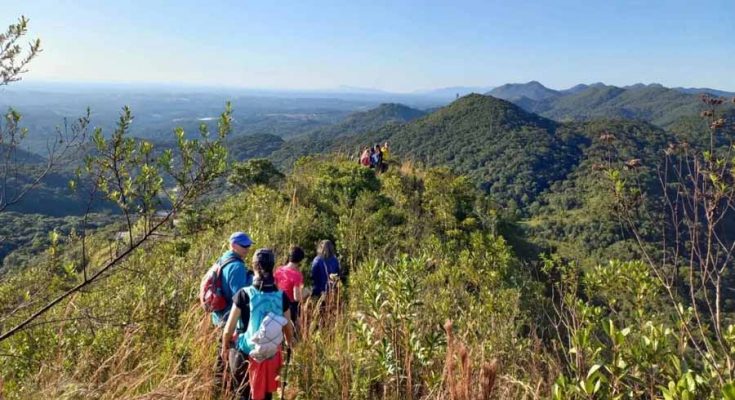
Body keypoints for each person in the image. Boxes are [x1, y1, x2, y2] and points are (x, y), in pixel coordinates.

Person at [222, 248, 295, 400]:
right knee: (267, 396)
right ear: (272, 267)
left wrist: (224, 347)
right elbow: (288, 328)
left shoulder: (243, 294)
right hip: (270, 356)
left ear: (254, 266)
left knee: (242, 395)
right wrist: (289, 347)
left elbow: (228, 330)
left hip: (244, 356)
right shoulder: (281, 296)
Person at [212, 232, 254, 392]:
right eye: (244, 246)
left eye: (249, 245)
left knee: (221, 355)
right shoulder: (236, 266)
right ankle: (232, 390)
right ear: (234, 245)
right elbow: (241, 298)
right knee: (232, 358)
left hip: (219, 316)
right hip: (230, 320)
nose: (248, 249)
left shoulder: (223, 259)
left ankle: (218, 389)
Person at [274, 246, 305, 324]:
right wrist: (307, 292)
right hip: (290, 307)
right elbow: (296, 297)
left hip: (277, 304)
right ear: (300, 260)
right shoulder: (297, 275)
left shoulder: (279, 270)